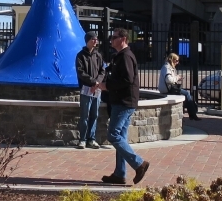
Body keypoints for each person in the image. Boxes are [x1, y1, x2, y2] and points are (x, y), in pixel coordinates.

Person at [99, 28, 150, 186]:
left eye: (114, 37)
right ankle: (119, 174)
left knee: (113, 135)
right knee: (120, 137)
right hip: (123, 101)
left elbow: (127, 80)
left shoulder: (126, 56)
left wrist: (107, 86)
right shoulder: (120, 56)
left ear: (123, 39)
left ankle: (139, 164)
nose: (111, 40)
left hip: (124, 102)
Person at [74, 32, 106, 149]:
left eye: (96, 39)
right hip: (86, 89)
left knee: (94, 114)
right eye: (93, 39)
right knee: (84, 115)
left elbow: (103, 70)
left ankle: (91, 139)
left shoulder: (98, 55)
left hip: (96, 90)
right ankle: (82, 139)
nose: (96, 41)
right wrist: (93, 82)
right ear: (88, 40)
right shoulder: (80, 56)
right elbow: (81, 72)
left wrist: (97, 82)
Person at [158, 52, 199, 120]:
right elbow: (168, 80)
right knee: (187, 94)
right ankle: (193, 114)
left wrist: (177, 77)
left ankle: (190, 114)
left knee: (185, 97)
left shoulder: (169, 67)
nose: (177, 62)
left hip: (169, 88)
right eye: (176, 60)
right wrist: (177, 77)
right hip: (167, 89)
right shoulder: (167, 68)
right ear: (172, 60)